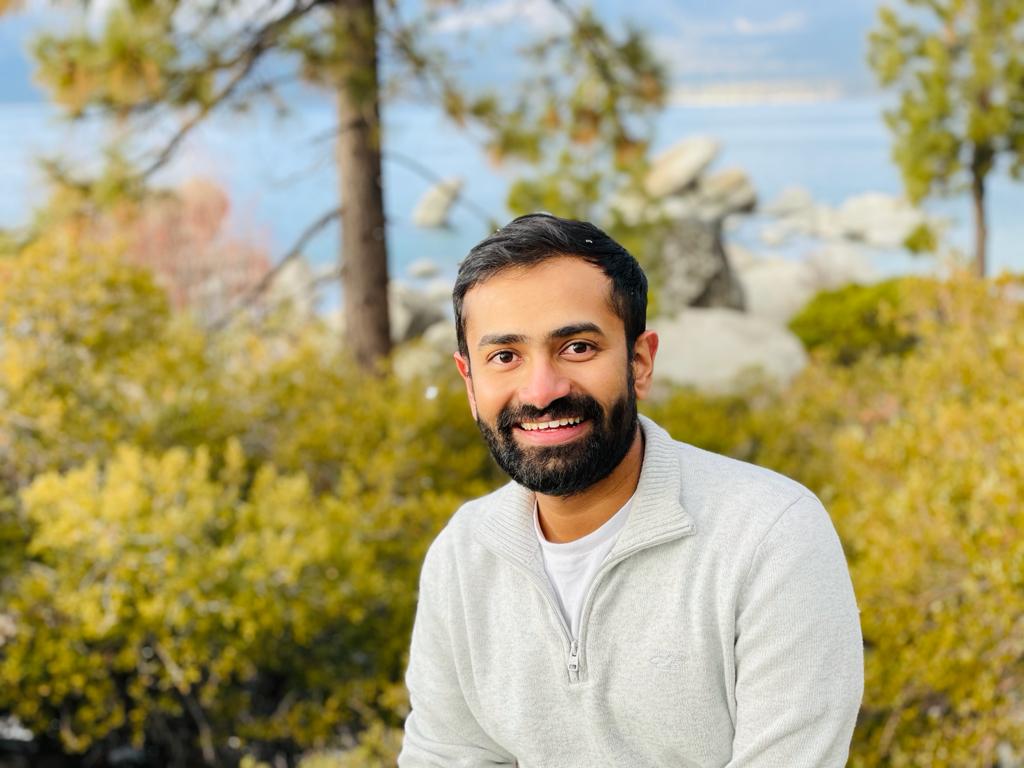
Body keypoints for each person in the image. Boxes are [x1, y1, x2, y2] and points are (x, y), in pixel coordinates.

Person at [398, 213, 864, 767]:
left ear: (639, 362)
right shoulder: (462, 555)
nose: (541, 391)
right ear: (469, 382)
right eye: (505, 357)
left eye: (577, 348)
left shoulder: (771, 534)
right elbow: (444, 756)